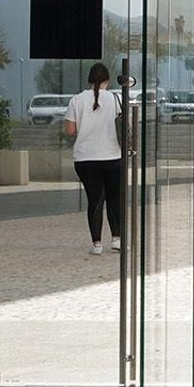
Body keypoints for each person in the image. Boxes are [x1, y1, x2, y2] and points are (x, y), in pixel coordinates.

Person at [64, 62, 124, 256]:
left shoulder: (76, 100)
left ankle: (97, 244)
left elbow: (70, 130)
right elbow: (126, 126)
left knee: (95, 200)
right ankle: (117, 239)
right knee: (114, 199)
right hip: (113, 156)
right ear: (107, 79)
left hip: (85, 159)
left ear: (89, 80)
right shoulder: (116, 99)